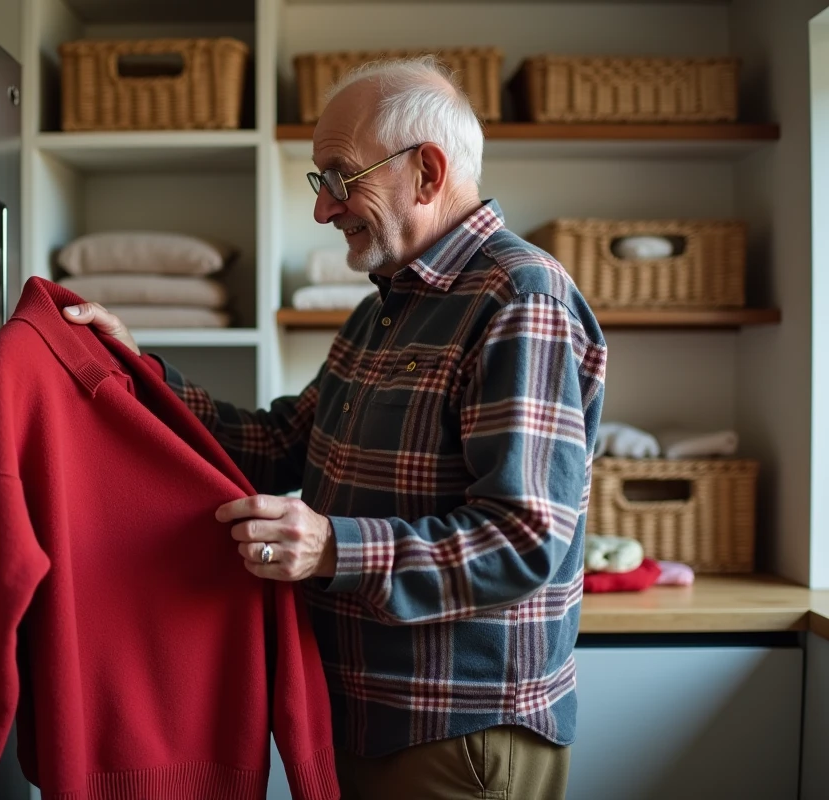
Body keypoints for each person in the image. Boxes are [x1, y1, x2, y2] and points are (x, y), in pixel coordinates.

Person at [63, 55, 607, 800]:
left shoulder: (521, 296)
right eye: (321, 181)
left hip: (457, 736)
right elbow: (279, 444)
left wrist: (330, 548)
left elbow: (522, 540)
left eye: (342, 177)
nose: (324, 209)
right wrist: (136, 377)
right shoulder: (381, 310)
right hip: (356, 718)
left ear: (427, 172)